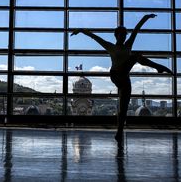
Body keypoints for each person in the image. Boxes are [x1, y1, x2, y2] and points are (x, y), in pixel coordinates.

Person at [71, 14, 172, 145]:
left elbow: (136, 30)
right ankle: (158, 67)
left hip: (124, 77)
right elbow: (94, 36)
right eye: (122, 35)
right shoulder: (110, 46)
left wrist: (145, 18)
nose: (124, 37)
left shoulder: (128, 44)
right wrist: (80, 30)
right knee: (135, 56)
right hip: (116, 75)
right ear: (117, 36)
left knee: (123, 107)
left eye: (125, 35)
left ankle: (119, 132)